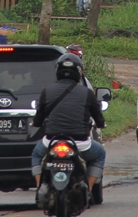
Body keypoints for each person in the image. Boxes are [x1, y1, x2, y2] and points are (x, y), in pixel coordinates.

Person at [31, 53, 107, 201]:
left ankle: (40, 187)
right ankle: (89, 189)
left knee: (36, 155)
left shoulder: (47, 91)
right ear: (79, 72)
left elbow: (39, 119)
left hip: (51, 140)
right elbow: (98, 118)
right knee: (100, 154)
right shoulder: (87, 93)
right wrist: (101, 124)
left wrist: (36, 123)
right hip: (80, 142)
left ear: (57, 71)